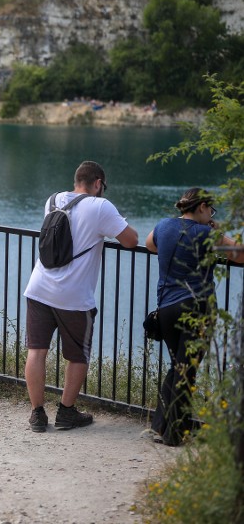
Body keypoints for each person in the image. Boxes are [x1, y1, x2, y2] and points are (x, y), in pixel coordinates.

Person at [24, 161, 138, 432]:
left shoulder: (53, 200)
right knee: (77, 356)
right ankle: (66, 412)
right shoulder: (101, 206)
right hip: (73, 296)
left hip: (39, 287)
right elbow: (131, 240)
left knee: (36, 351)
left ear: (77, 180)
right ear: (98, 183)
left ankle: (37, 414)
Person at [145, 188, 244, 446]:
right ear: (201, 207)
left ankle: (160, 426)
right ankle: (175, 434)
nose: (211, 214)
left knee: (177, 366)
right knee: (187, 370)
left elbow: (149, 243)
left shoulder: (164, 225)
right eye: (211, 210)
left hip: (165, 309)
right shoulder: (206, 234)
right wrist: (218, 229)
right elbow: (240, 254)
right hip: (196, 309)